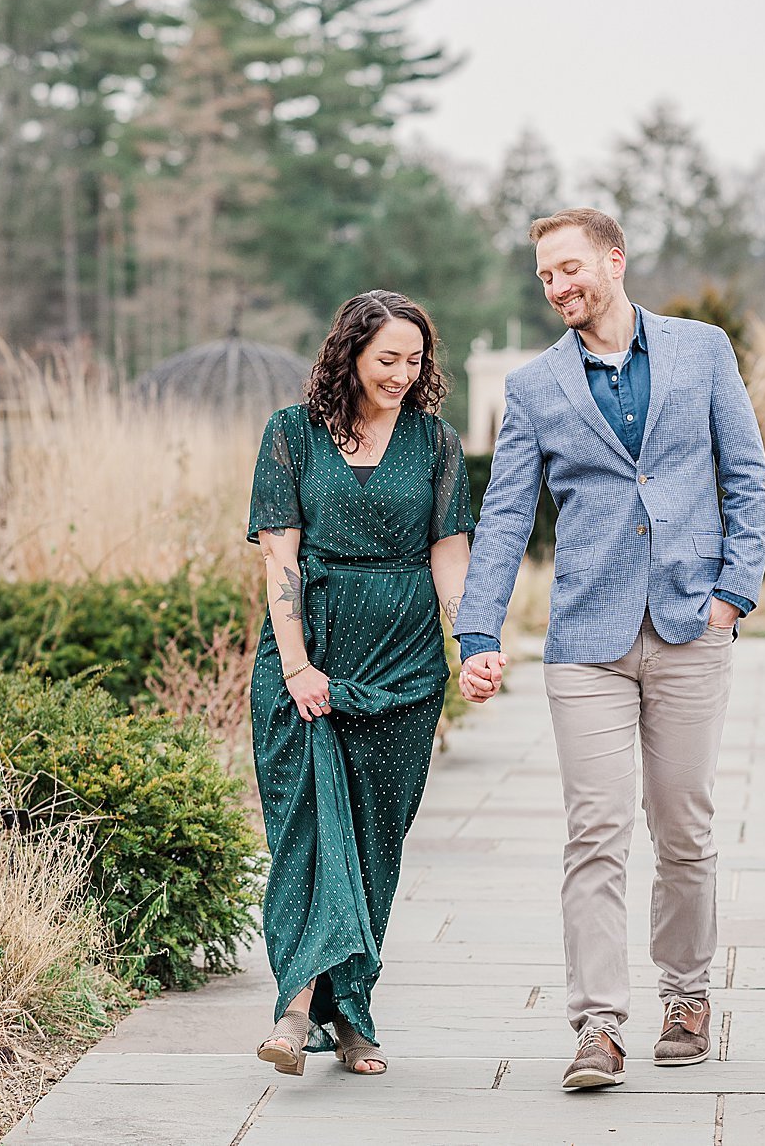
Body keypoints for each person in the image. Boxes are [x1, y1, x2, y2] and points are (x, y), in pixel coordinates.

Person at [454, 207, 765, 1090]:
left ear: (614, 260)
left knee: (684, 827)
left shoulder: (702, 351)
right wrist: (478, 631)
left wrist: (732, 593)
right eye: (546, 275)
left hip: (689, 627)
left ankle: (686, 996)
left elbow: (745, 472)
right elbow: (507, 514)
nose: (558, 286)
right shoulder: (533, 387)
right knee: (594, 833)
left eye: (569, 268)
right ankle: (597, 1026)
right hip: (584, 640)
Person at [245, 290, 476, 1077]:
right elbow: (280, 559)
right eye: (388, 360)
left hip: (405, 665)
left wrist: (468, 641)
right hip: (307, 660)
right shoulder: (290, 434)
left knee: (376, 839)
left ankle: (352, 1013)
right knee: (307, 832)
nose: (403, 375)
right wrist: (300, 662)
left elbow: (449, 554)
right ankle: (296, 1006)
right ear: (348, 354)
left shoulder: (435, 441)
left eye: (415, 361)